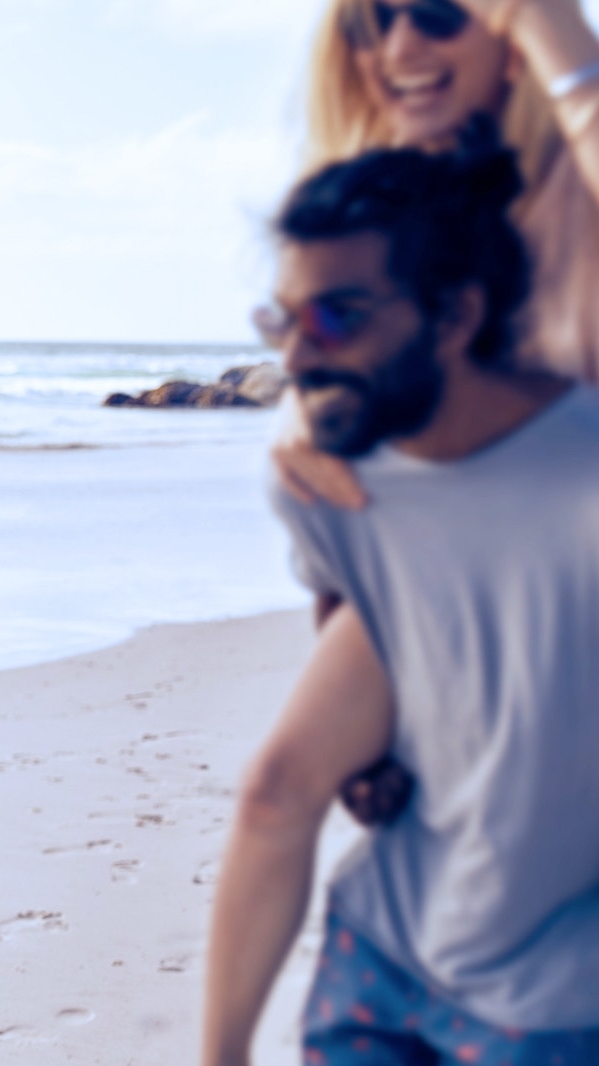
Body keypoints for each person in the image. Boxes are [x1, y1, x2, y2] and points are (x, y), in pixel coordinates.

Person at [158, 143, 599, 1066]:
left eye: (337, 315)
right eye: (284, 318)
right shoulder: (324, 480)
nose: (300, 354)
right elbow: (362, 614)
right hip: (384, 934)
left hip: (551, 992)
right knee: (274, 784)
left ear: (456, 315)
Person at [279, 0, 599, 825]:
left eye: (436, 15)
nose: (400, 47)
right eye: (373, 24)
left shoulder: (568, 200)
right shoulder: (366, 221)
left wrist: (554, 35)